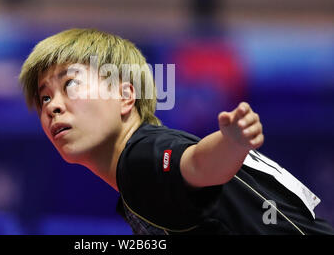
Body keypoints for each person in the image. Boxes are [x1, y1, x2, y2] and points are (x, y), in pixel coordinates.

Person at [18, 28, 334, 235]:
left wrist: (229, 144)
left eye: (70, 85)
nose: (52, 106)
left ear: (125, 97)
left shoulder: (142, 157)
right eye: (45, 97)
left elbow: (196, 164)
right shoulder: (137, 185)